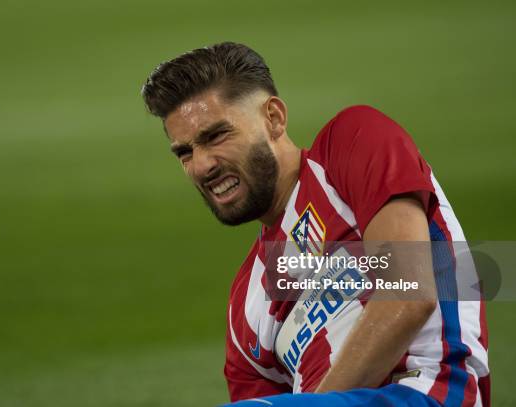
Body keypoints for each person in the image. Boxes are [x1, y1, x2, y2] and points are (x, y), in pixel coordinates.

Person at [141, 42, 489, 406]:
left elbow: (408, 295)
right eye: (185, 152)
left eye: (215, 136)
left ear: (273, 118)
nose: (201, 165)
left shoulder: (353, 143)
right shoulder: (245, 307)